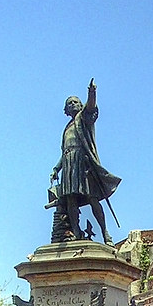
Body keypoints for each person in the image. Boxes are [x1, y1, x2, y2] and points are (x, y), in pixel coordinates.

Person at [49, 78, 121, 245]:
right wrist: (56, 168)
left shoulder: (83, 119)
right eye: (70, 103)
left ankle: (105, 233)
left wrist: (91, 93)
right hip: (68, 165)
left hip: (83, 163)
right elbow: (65, 152)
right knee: (70, 200)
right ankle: (76, 232)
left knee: (92, 197)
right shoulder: (66, 128)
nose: (73, 104)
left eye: (76, 102)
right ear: (65, 110)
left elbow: (91, 107)